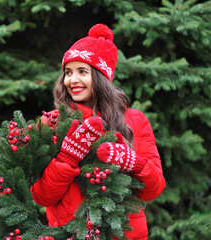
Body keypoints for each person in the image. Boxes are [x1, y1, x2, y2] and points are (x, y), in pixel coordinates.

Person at [30, 24, 166, 240]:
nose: (72, 80)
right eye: (68, 72)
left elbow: (153, 189)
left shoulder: (135, 120)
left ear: (101, 76)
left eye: (82, 71)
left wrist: (135, 164)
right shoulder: (52, 123)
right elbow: (41, 196)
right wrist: (67, 159)